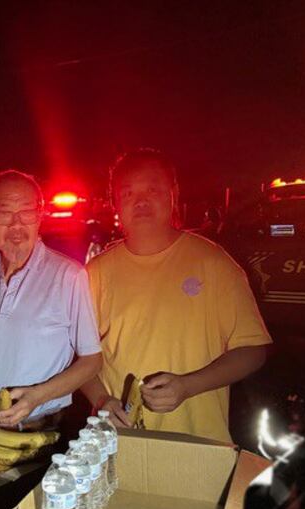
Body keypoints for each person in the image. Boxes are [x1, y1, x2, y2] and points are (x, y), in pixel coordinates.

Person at [81, 149, 271, 443]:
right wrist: (103, 401)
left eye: (153, 189)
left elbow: (253, 348)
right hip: (119, 439)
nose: (141, 201)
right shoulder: (95, 273)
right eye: (128, 193)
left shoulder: (213, 263)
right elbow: (81, 358)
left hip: (198, 441)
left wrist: (189, 386)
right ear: (115, 202)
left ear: (173, 193)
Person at [0, 169, 102, 428]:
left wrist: (38, 396)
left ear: (40, 216)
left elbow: (91, 361)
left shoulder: (69, 276)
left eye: (27, 211)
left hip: (46, 425)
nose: (16, 224)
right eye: (4, 213)